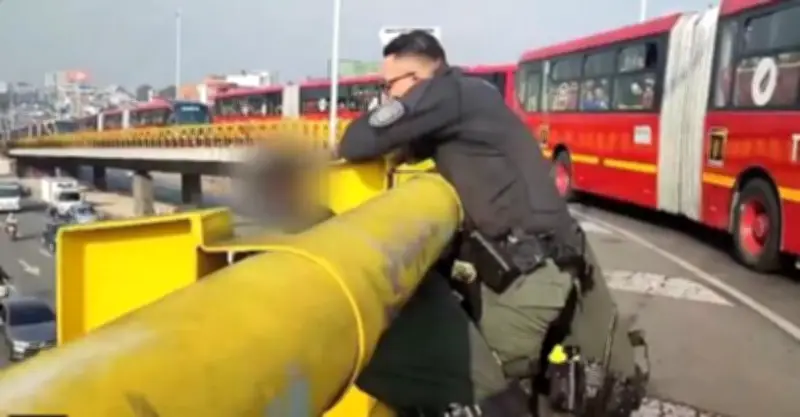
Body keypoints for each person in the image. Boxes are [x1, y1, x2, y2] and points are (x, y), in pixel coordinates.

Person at [339, 30, 647, 416]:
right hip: (560, 261)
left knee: (481, 394)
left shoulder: (442, 93)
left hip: (528, 276)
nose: (389, 95)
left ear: (417, 79)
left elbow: (356, 142)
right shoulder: (473, 92)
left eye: (391, 85)